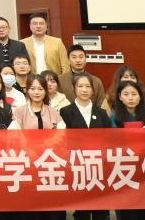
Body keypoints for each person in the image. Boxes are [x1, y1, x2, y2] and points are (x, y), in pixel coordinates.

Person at [60, 74, 111, 220]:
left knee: (101, 208)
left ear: (93, 90)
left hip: (99, 166)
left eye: (88, 86)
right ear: (74, 88)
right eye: (80, 86)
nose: (84, 90)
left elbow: (110, 139)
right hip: (77, 166)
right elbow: (63, 139)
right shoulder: (65, 112)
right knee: (82, 209)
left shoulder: (101, 113)